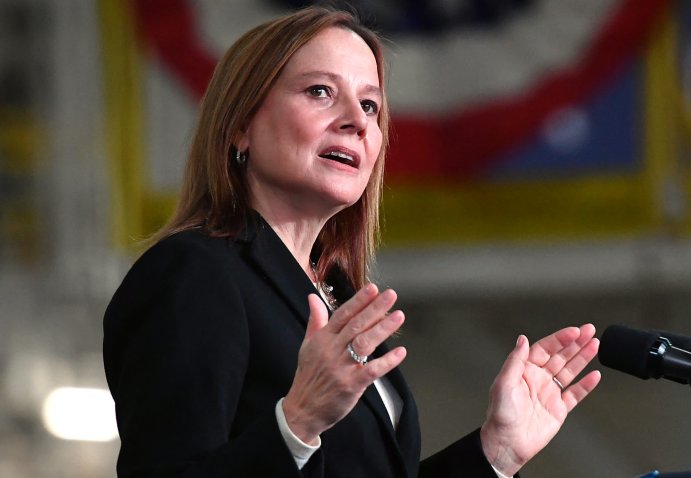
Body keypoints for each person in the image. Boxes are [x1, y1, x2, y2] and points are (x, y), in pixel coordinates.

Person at [103, 6, 602, 478]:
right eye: (320, 92)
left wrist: (495, 451)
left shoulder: (337, 296)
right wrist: (294, 425)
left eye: (370, 105)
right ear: (240, 127)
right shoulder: (194, 274)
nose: (357, 121)